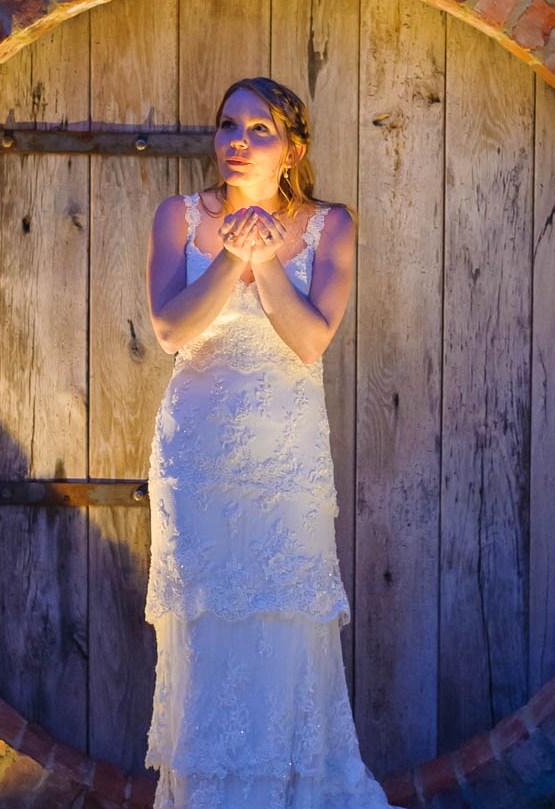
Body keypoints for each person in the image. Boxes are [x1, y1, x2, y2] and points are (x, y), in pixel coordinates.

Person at [143, 77, 397, 809]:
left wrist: (266, 259)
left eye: (259, 129)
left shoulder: (330, 225)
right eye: (227, 125)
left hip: (285, 460)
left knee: (286, 621)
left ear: (293, 149)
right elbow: (170, 331)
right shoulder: (178, 217)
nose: (237, 140)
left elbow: (310, 339)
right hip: (197, 458)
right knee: (203, 624)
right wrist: (229, 258)